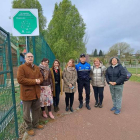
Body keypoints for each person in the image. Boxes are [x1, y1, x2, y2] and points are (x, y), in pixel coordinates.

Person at [17, 52, 44, 136]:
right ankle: (28, 127)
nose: (30, 58)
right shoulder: (21, 67)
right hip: (27, 94)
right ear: (25, 58)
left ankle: (35, 124)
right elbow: (20, 79)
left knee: (36, 109)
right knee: (26, 113)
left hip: (36, 93)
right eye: (28, 57)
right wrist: (35, 81)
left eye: (32, 56)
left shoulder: (36, 67)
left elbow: (41, 77)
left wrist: (40, 80)